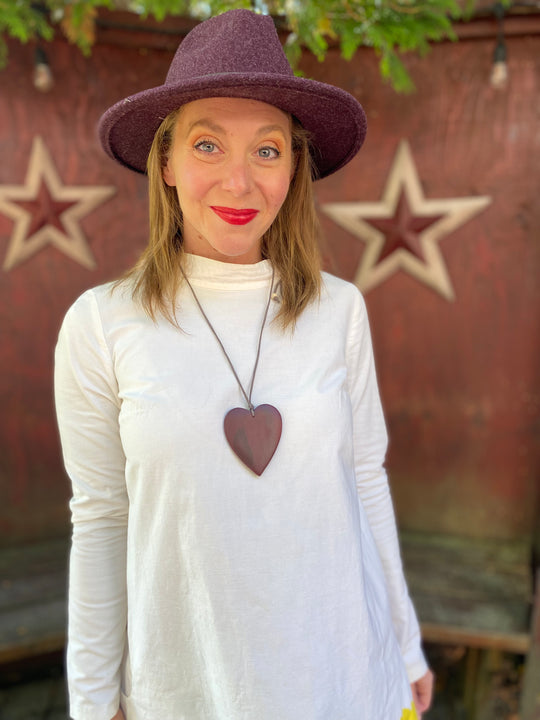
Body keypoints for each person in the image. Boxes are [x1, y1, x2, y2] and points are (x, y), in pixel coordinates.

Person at [54, 9, 434, 720]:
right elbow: (101, 519)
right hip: (190, 686)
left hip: (343, 675)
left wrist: (406, 645)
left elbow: (363, 482)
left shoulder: (339, 310)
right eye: (207, 145)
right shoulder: (103, 324)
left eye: (267, 151)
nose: (240, 180)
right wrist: (92, 700)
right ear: (164, 163)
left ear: (293, 168)